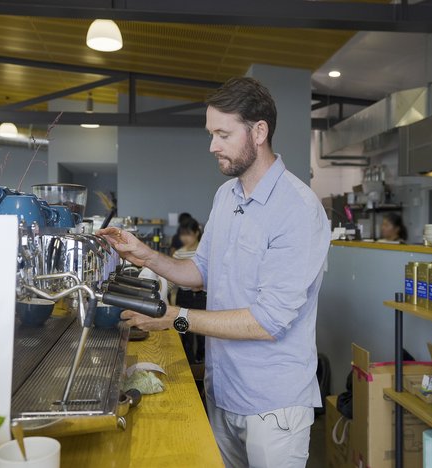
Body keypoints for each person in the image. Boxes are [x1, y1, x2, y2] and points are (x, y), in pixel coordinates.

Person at [100, 77, 330, 468]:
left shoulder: (298, 210)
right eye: (211, 134)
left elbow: (268, 321)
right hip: (223, 391)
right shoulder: (226, 196)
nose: (212, 146)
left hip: (272, 406)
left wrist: (176, 319)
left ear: (259, 132)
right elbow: (202, 272)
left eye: (223, 134)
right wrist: (145, 255)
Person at [171, 217, 206, 364]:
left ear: (197, 233)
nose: (184, 238)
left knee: (203, 331)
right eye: (182, 234)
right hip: (184, 296)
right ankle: (189, 362)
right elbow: (173, 283)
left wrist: (202, 285)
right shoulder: (178, 254)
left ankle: (200, 360)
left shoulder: (204, 253)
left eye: (188, 234)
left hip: (201, 297)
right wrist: (173, 304)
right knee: (184, 331)